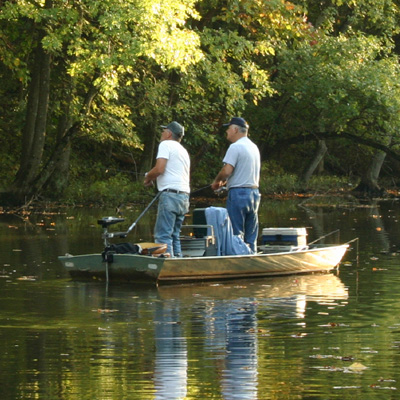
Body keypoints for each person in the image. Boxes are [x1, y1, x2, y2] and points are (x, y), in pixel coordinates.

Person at [211, 117, 261, 252]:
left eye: (228, 128)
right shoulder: (253, 147)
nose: (227, 131)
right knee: (251, 234)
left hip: (238, 194)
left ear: (235, 129)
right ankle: (253, 258)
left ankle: (237, 260)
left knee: (236, 232)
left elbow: (227, 170)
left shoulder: (235, 146)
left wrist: (217, 181)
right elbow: (244, 171)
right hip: (254, 193)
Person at [144, 121, 190, 257]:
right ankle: (178, 265)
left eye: (164, 131)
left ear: (169, 134)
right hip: (184, 197)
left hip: (170, 196)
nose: (162, 133)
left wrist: (148, 177)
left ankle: (166, 266)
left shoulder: (165, 144)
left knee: (163, 236)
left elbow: (159, 169)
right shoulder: (183, 150)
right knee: (175, 236)